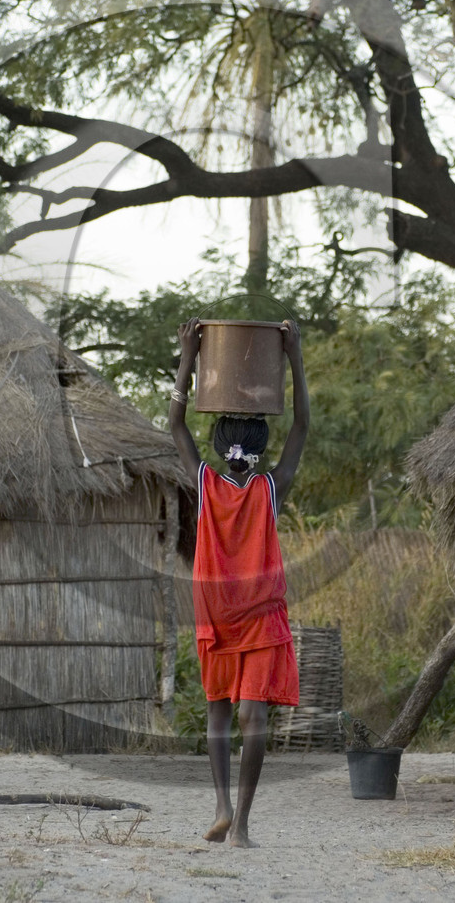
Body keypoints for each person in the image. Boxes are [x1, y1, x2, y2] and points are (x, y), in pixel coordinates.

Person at [169, 316, 309, 848]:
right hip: (259, 617)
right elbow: (301, 429)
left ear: (219, 445)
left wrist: (190, 355)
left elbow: (176, 426)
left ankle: (225, 808)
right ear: (260, 447)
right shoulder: (271, 488)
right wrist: (294, 356)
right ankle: (240, 823)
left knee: (220, 714)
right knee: (252, 716)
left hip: (217, 613)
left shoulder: (206, 483)